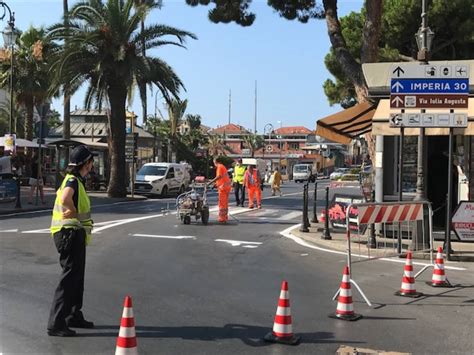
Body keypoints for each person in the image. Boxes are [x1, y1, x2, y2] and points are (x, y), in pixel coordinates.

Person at [47, 145, 96, 337]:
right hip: (69, 232)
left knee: (77, 276)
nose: (92, 165)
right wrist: (71, 211)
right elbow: (67, 198)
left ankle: (73, 315)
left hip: (74, 232)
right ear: (86, 163)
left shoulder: (76, 180)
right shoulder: (73, 181)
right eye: (91, 162)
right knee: (69, 278)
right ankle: (56, 323)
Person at [209, 157, 232, 223]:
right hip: (226, 187)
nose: (214, 164)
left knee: (222, 204)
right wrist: (215, 184)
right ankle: (225, 217)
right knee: (225, 203)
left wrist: (210, 182)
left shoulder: (219, 167)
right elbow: (222, 178)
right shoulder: (223, 167)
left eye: (214, 162)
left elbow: (219, 176)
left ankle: (222, 218)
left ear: (216, 161)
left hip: (223, 188)